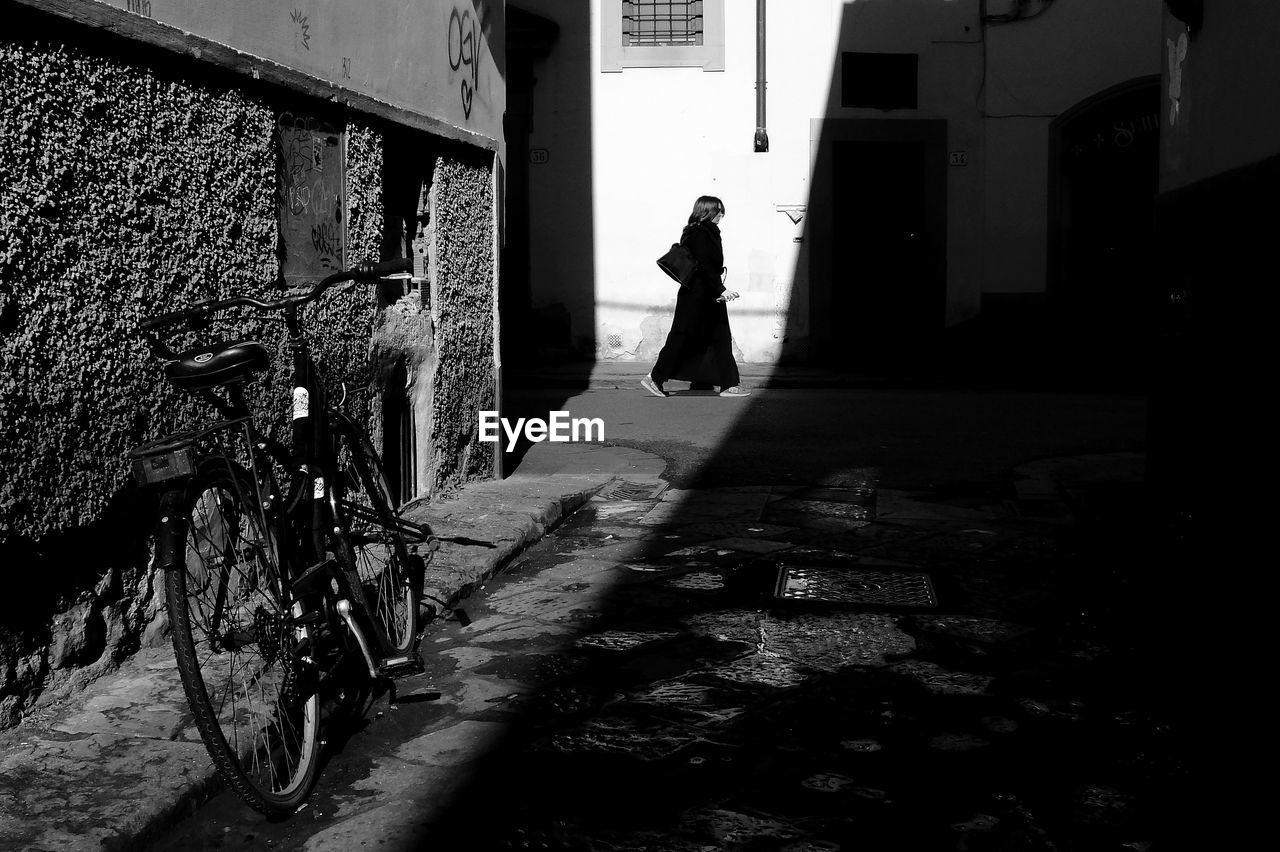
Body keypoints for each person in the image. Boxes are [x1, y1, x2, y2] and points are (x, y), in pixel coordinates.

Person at [641, 196, 750, 398]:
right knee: (682, 337)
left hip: (707, 295)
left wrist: (718, 290)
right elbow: (705, 267)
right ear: (706, 211)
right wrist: (720, 289)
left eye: (722, 211)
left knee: (720, 338)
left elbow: (708, 267)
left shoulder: (706, 233)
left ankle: (730, 384)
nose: (721, 215)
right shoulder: (700, 234)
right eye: (718, 211)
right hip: (697, 296)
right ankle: (654, 378)